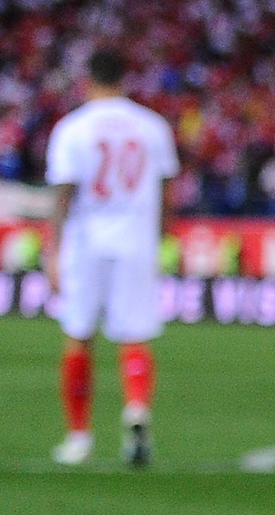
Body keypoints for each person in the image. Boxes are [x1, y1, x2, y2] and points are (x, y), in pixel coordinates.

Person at [42, 50, 179, 468]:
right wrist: (158, 234)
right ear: (125, 78)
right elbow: (168, 188)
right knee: (133, 334)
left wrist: (52, 250)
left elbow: (63, 193)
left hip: (87, 239)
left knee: (79, 334)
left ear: (88, 80)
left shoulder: (73, 128)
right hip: (135, 237)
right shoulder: (152, 126)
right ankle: (136, 408)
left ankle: (79, 437)